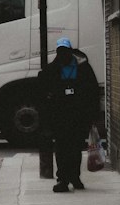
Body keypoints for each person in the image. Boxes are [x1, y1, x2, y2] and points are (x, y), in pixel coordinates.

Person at [38, 37, 101, 193]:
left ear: (70, 51)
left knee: (75, 148)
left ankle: (75, 177)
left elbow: (93, 92)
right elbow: (42, 91)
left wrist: (92, 114)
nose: (63, 55)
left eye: (65, 51)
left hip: (78, 116)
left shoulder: (83, 68)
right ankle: (63, 179)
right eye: (60, 51)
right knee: (61, 148)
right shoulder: (52, 69)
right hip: (60, 117)